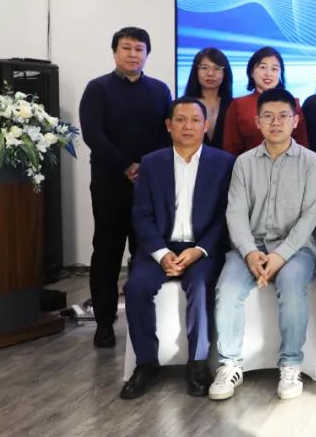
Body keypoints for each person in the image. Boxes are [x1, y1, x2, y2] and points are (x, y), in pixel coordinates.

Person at [208, 88, 316, 401]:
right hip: (250, 246)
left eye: (283, 116)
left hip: (296, 249)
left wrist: (280, 256)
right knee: (227, 288)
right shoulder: (244, 163)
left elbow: (309, 218)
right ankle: (230, 364)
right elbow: (235, 213)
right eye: (268, 116)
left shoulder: (312, 162)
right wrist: (250, 253)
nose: (276, 122)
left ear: (295, 121)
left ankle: (291, 365)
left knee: (291, 285)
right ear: (257, 122)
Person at [120, 97, 234, 399]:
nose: (188, 126)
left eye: (195, 120)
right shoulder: (151, 163)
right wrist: (161, 253)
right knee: (136, 288)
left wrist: (200, 250)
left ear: (206, 125)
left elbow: (226, 216)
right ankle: (146, 364)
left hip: (202, 248)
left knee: (200, 285)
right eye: (181, 120)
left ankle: (198, 364)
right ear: (168, 125)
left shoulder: (224, 163)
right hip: (161, 246)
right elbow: (141, 215)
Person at [79, 26, 172, 348]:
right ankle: (104, 323)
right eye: (126, 48)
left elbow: (167, 133)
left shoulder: (160, 90)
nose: (133, 54)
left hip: (149, 186)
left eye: (139, 49)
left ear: (147, 54)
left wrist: (146, 166)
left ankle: (143, 323)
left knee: (146, 252)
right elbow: (93, 134)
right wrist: (126, 166)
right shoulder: (97, 89)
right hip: (109, 184)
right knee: (106, 253)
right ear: (114, 52)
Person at [222, 46, 308, 156]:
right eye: (262, 67)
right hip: (249, 166)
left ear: (280, 74)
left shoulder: (293, 104)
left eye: (274, 69)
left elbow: (302, 146)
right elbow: (230, 150)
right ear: (251, 72)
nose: (268, 73)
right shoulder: (238, 105)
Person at [183, 47, 233, 150]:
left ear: (225, 73)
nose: (210, 73)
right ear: (196, 71)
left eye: (217, 68)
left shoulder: (233, 106)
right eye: (204, 68)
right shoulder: (182, 106)